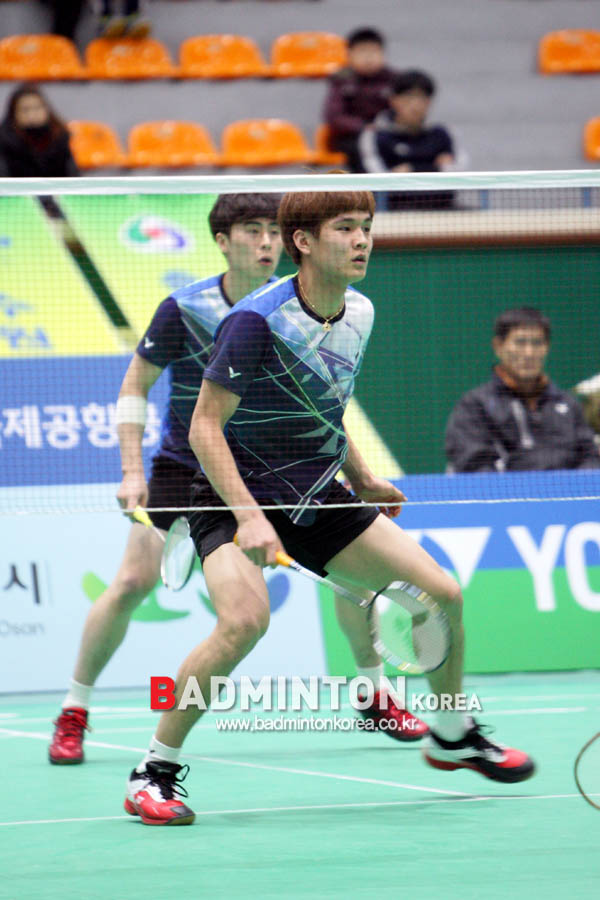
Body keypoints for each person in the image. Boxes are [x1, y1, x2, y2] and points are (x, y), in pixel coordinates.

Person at [124, 188, 535, 826]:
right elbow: (204, 427)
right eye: (345, 228)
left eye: (366, 226)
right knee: (243, 623)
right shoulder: (255, 321)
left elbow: (324, 406)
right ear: (305, 242)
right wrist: (250, 517)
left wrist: (363, 476)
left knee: (441, 594)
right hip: (231, 494)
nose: (362, 239)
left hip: (314, 488)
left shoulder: (360, 311)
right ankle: (152, 771)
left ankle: (452, 735)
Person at [48, 192, 425, 766]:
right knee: (131, 583)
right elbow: (134, 387)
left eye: (272, 231)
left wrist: (362, 474)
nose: (266, 242)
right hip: (188, 465)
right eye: (252, 231)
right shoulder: (186, 308)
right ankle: (74, 709)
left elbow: (319, 403)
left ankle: (374, 692)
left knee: (356, 576)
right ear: (223, 242)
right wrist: (130, 471)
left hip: (279, 467)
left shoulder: (309, 308)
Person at [445, 307, 600, 472]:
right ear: (498, 346)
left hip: (568, 488)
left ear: (547, 347)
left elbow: (590, 457)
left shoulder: (569, 405)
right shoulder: (475, 406)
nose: (529, 353)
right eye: (520, 342)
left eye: (537, 343)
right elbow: (474, 465)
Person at [358, 69, 455, 210]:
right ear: (393, 100)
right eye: (408, 98)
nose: (415, 105)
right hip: (389, 211)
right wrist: (434, 168)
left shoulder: (442, 134)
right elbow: (379, 179)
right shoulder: (375, 135)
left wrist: (411, 169)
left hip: (443, 209)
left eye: (422, 98)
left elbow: (455, 172)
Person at [322, 28, 399, 173]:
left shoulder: (394, 79)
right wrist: (363, 127)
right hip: (353, 137)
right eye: (362, 51)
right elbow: (334, 117)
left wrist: (384, 126)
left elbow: (402, 112)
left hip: (386, 134)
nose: (368, 58)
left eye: (374, 51)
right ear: (350, 54)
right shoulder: (341, 79)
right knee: (360, 149)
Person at [0, 83, 79, 178]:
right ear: (14, 114)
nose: (32, 115)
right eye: (25, 110)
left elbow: (72, 178)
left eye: (37, 108)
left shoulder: (60, 138)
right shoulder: (4, 143)